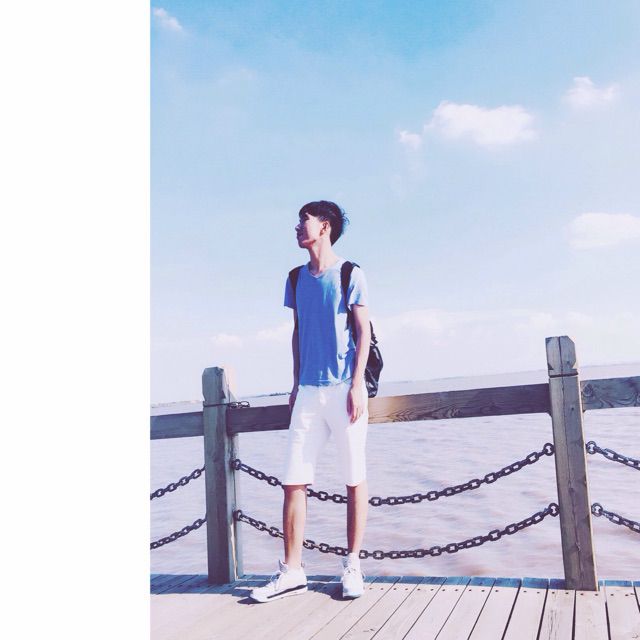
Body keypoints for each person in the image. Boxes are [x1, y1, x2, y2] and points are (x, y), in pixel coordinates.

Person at [250, 200, 371, 603]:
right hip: (307, 392)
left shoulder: (351, 273)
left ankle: (352, 565)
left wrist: (357, 385)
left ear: (325, 226)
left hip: (344, 389)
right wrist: (295, 383)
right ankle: (292, 571)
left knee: (354, 477)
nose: (297, 228)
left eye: (304, 221)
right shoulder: (295, 278)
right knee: (292, 480)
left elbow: (363, 332)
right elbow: (298, 332)